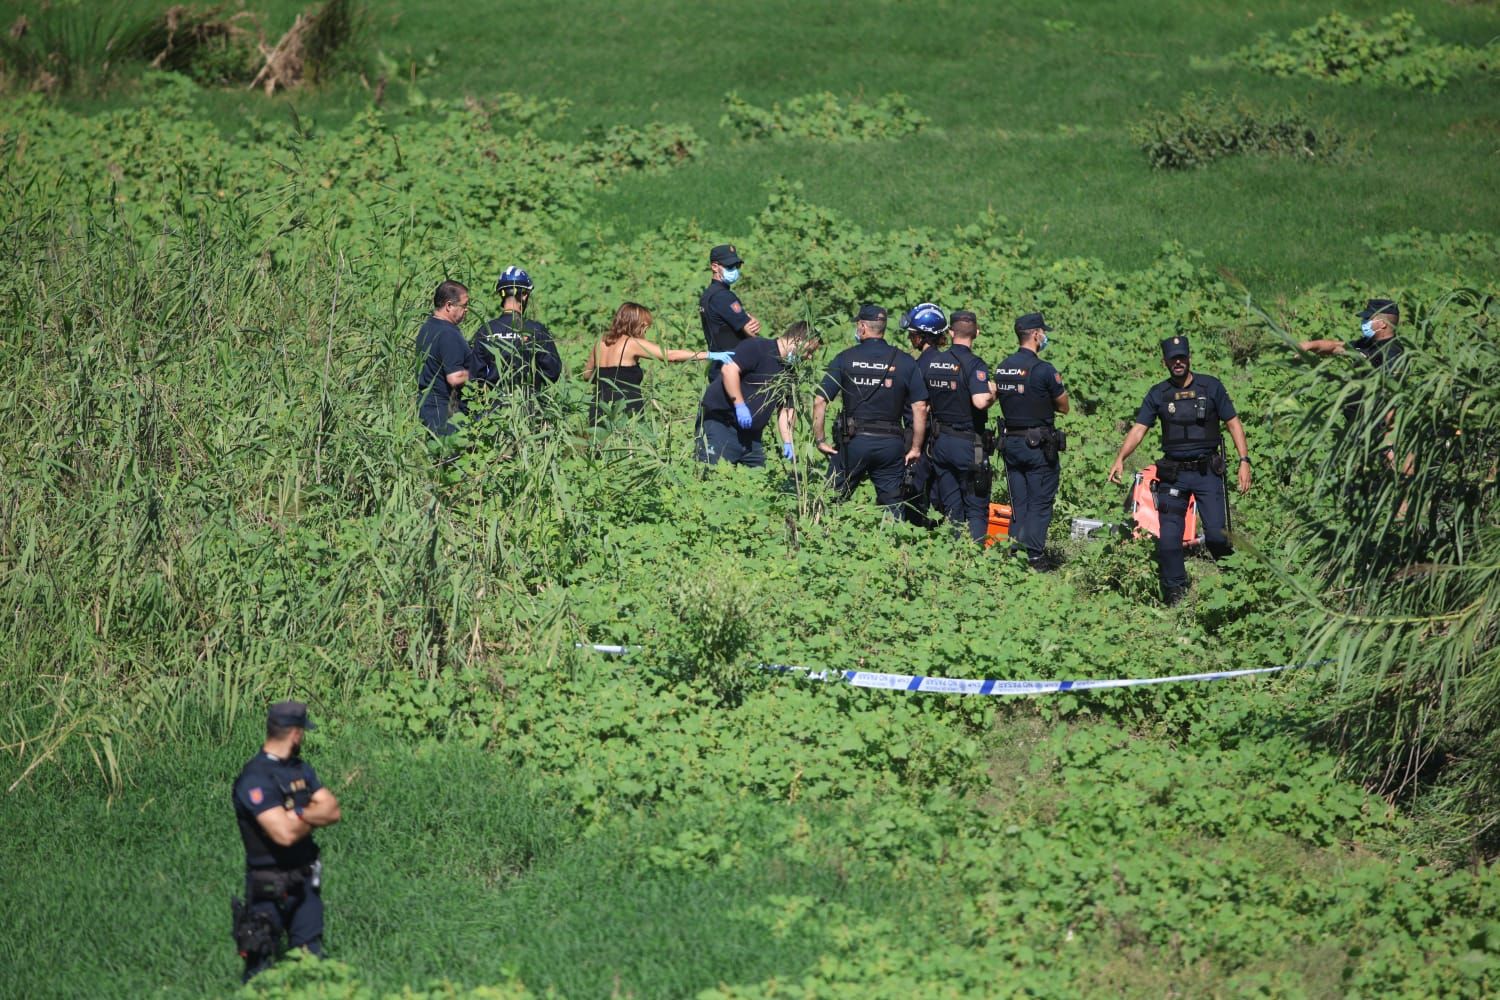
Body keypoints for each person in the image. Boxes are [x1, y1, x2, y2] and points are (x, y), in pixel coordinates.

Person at [1107, 335, 1251, 605]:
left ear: (1189, 358)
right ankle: (1175, 592)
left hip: (1207, 471)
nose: (1178, 362)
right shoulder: (1158, 394)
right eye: (1173, 359)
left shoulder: (1211, 387)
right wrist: (1120, 458)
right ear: (1165, 362)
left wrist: (1244, 461)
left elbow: (1233, 423)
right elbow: (1139, 429)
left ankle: (1234, 579)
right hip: (1174, 474)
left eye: (1182, 357)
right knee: (1169, 538)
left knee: (1217, 534)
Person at [231, 701, 341, 983]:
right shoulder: (254, 778)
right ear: (295, 734)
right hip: (268, 886)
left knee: (311, 963)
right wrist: (310, 816)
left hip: (305, 884)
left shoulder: (300, 769)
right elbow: (284, 834)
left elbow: (333, 810)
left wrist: (298, 814)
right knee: (260, 967)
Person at [813, 303, 929, 519]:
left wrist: (820, 440)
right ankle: (895, 546)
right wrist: (915, 447)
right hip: (890, 446)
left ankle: (825, 540)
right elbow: (920, 407)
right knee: (893, 506)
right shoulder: (905, 361)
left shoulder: (844, 358)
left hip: (853, 443)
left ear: (862, 327)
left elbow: (820, 401)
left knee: (831, 500)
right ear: (883, 328)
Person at [994, 312, 1069, 568]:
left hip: (1011, 443)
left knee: (1019, 501)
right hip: (1037, 446)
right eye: (1043, 332)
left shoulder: (1003, 367)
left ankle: (1015, 552)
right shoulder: (1044, 370)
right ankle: (1034, 556)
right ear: (1036, 335)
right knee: (1040, 501)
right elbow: (1064, 406)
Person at [697, 321, 820, 467]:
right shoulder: (757, 347)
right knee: (712, 474)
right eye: (809, 351)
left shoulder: (789, 371)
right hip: (722, 424)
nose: (809, 357)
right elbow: (729, 370)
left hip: (751, 438)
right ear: (798, 340)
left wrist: (788, 441)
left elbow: (786, 408)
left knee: (759, 477)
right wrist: (739, 405)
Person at [922, 308, 998, 542]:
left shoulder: (933, 363)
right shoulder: (975, 365)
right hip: (969, 445)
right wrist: (994, 393)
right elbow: (979, 401)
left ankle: (955, 554)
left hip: (941, 443)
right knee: (976, 506)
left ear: (951, 332)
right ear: (976, 332)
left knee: (952, 505)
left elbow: (922, 405)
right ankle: (974, 557)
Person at [583, 302, 708, 424]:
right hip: (625, 408)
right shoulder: (632, 343)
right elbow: (669, 355)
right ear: (639, 325)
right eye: (646, 327)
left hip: (599, 406)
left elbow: (587, 375)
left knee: (601, 443)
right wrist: (708, 355)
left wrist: (607, 380)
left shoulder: (600, 344)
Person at [469, 266, 562, 407]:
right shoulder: (536, 330)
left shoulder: (486, 330)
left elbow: (475, 376)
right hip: (528, 409)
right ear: (524, 295)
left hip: (493, 413)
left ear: (501, 293)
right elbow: (552, 372)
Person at [900, 303, 950, 527]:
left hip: (919, 436)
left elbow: (919, 406)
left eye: (913, 335)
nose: (911, 339)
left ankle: (915, 535)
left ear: (923, 337)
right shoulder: (947, 364)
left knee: (913, 491)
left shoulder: (918, 366)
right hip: (941, 438)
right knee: (939, 493)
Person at [415, 280, 474, 436]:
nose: (466, 310)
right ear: (449, 305)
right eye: (464, 305)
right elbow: (454, 377)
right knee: (450, 457)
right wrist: (479, 370)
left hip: (429, 409)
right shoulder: (448, 334)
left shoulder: (428, 327)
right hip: (447, 413)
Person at [699, 243, 762, 381]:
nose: (734, 270)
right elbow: (750, 331)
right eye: (729, 266)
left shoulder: (708, 295)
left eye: (736, 266)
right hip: (733, 368)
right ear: (714, 266)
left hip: (719, 367)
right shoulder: (723, 296)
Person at [1297, 298, 1404, 370]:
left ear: (1382, 324)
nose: (1363, 322)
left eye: (1367, 319)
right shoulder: (1366, 343)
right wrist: (1309, 345)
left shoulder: (1392, 352)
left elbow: (1392, 388)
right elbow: (1336, 347)